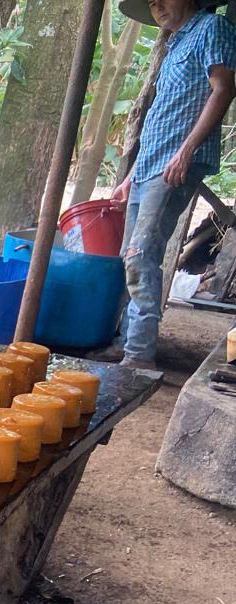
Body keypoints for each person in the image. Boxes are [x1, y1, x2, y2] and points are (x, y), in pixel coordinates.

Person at [104, 0, 236, 369]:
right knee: (129, 256)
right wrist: (130, 177)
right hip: (148, 167)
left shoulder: (211, 28)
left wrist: (186, 152)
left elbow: (223, 89)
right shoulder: (174, 42)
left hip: (174, 166)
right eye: (150, 1)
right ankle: (129, 343)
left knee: (141, 256)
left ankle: (138, 356)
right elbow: (161, 115)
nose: (156, 4)